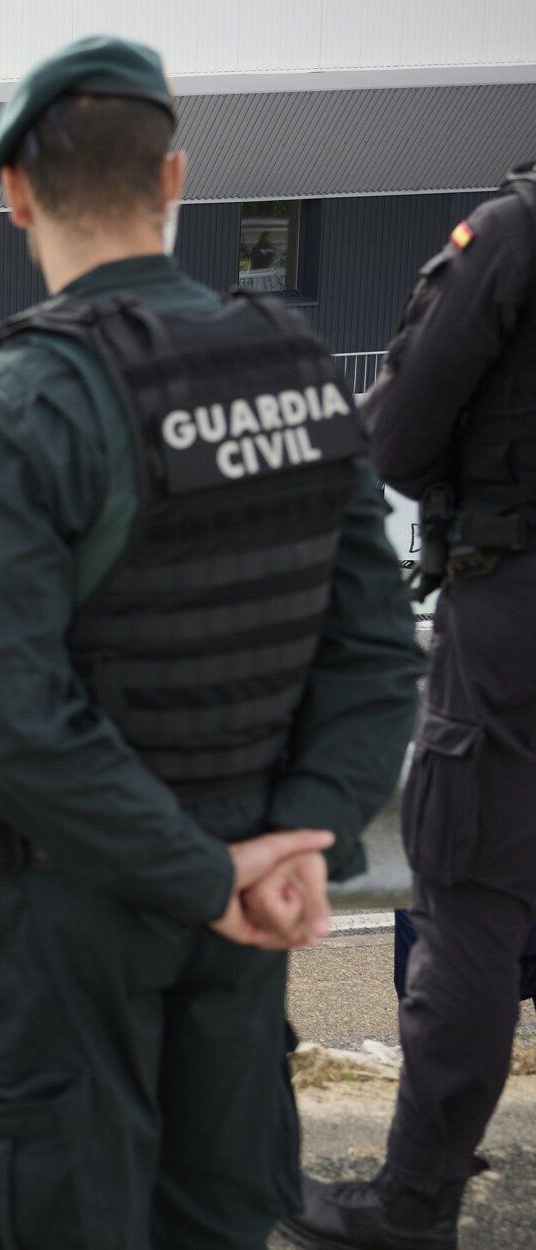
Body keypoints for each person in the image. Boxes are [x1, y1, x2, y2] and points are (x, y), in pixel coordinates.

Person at [0, 37, 422, 1249]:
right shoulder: (297, 370)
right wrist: (293, 841)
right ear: (175, 178)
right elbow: (377, 654)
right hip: (254, 894)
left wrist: (206, 876)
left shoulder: (12, 404)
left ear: (16, 192)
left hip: (74, 917)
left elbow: (23, 727)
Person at [281, 162, 536, 1250]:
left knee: (470, 900)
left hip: (513, 610)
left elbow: (398, 435)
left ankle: (415, 1202)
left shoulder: (513, 234)